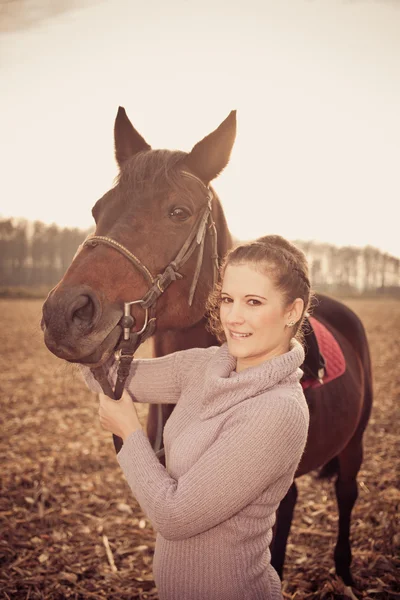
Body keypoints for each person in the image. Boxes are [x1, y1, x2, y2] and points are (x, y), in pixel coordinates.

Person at [80, 234, 312, 600]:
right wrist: (88, 317)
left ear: (292, 311)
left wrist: (128, 431)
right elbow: (106, 375)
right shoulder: (207, 365)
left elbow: (174, 517)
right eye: (227, 300)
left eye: (253, 302)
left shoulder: (277, 411)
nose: (233, 317)